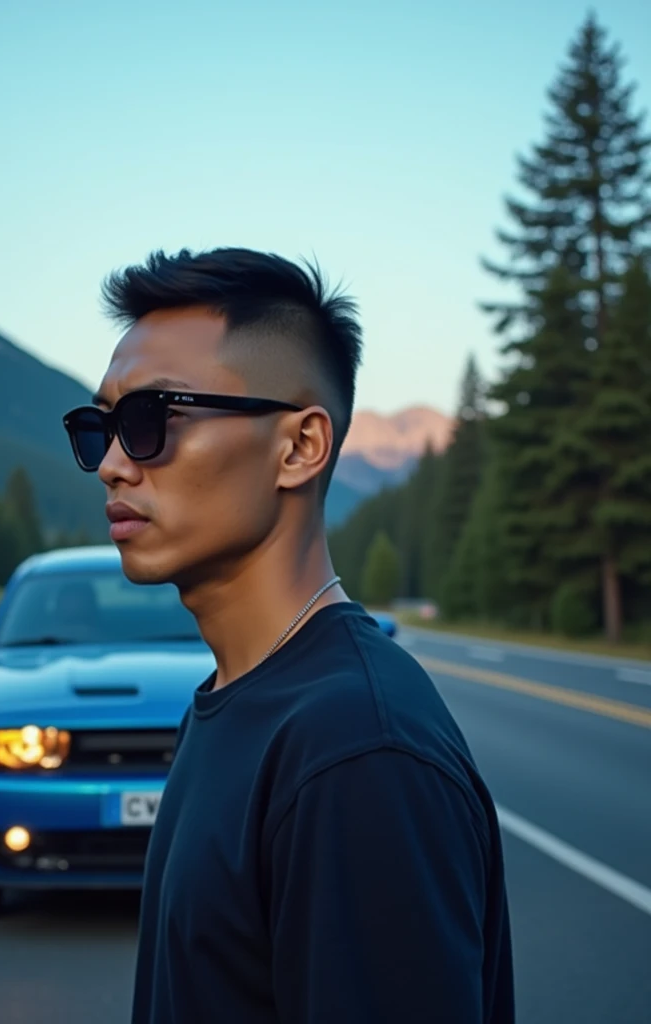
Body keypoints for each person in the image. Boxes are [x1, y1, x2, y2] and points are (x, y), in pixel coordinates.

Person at [61, 247, 515, 1023]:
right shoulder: (240, 700)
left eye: (149, 420)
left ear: (300, 447)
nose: (109, 463)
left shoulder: (356, 752)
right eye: (99, 426)